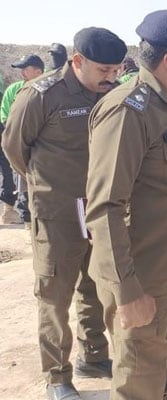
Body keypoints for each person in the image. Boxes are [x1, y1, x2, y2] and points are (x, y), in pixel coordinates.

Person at [85, 10, 167, 400]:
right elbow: (104, 208)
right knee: (139, 384)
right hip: (141, 280)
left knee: (163, 375)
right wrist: (127, 292)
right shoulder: (129, 111)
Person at [2, 28, 127, 400]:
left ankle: (94, 354)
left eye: (116, 69)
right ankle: (57, 374)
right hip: (57, 211)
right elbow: (14, 147)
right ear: (77, 61)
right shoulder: (42, 94)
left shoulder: (113, 92)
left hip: (100, 208)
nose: (111, 77)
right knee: (54, 293)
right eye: (104, 69)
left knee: (96, 284)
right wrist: (48, 185)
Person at [0, 54, 44, 226]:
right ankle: (23, 218)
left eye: (25, 69)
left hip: (40, 146)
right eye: (21, 70)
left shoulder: (49, 90)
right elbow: (4, 113)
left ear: (38, 71)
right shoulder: (14, 89)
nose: (22, 73)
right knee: (19, 177)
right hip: (19, 143)